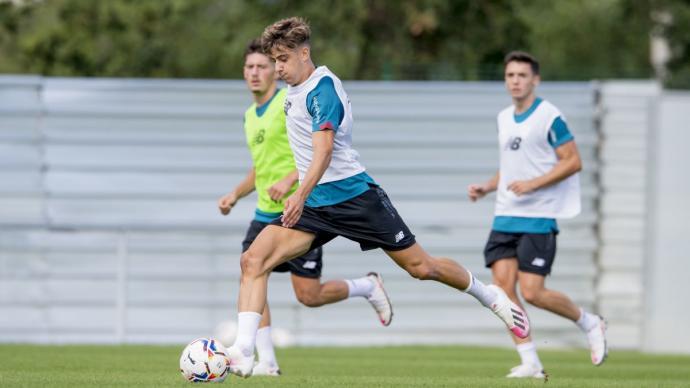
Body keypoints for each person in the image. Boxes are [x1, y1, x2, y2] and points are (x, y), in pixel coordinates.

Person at [226, 17, 531, 378]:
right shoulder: (290, 93)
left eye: (282, 59)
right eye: (273, 60)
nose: (277, 68)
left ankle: (490, 295)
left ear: (303, 53)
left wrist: (298, 194)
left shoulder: (322, 88)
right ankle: (245, 353)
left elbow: (323, 153)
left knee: (422, 268)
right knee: (252, 260)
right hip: (317, 205)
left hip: (355, 197)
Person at [217, 38, 393, 377]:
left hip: (302, 208)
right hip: (264, 212)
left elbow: (315, 152)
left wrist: (291, 181)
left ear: (275, 70)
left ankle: (366, 286)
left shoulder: (291, 100)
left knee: (309, 295)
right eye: (249, 67)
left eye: (263, 66)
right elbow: (259, 168)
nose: (256, 73)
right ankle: (264, 360)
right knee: (253, 269)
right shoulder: (249, 117)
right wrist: (236, 194)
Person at [467, 51, 608, 378]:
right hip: (504, 216)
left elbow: (573, 161)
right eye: (510, 76)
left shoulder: (549, 116)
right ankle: (530, 360)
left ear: (535, 80)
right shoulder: (503, 118)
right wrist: (488, 188)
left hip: (538, 217)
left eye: (522, 75)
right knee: (502, 292)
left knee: (533, 292)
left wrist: (533, 184)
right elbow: (511, 167)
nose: (515, 81)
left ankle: (589, 322)